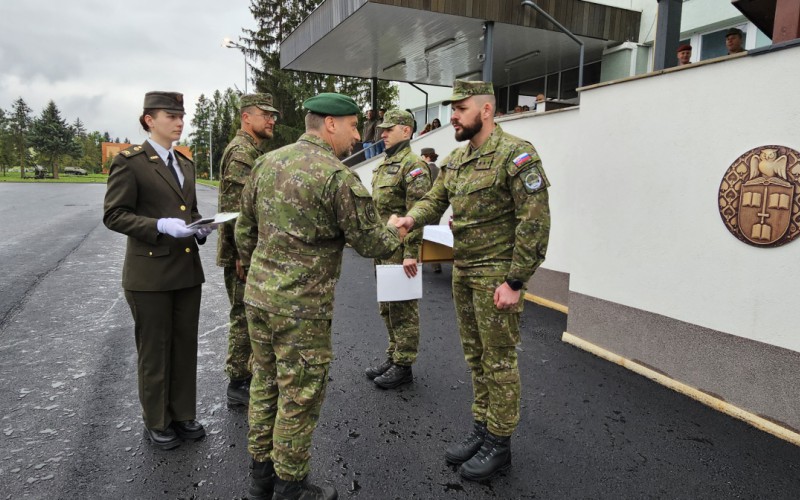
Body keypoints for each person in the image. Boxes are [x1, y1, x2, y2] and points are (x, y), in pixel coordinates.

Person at [235, 93, 405, 500]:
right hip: (301, 312)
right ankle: (290, 486)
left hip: (258, 300)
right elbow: (371, 243)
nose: (356, 135)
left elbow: (244, 230)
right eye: (352, 126)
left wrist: (255, 271)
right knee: (299, 395)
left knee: (264, 384)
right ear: (331, 124)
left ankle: (261, 479)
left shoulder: (267, 162)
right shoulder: (337, 177)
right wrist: (396, 228)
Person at [393, 80, 551, 481]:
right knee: (476, 358)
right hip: (463, 272)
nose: (453, 117)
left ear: (485, 110)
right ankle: (482, 428)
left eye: (460, 109)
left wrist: (515, 281)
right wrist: (413, 217)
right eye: (453, 109)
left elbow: (534, 222)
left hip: (497, 275)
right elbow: (435, 198)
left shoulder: (516, 154)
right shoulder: (459, 158)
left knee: (499, 360)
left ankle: (500, 442)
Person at [103, 91, 214, 450]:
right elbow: (114, 214)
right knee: (155, 350)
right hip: (149, 275)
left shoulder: (186, 164)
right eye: (171, 116)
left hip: (185, 271)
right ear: (149, 120)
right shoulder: (131, 162)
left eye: (181, 116)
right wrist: (159, 226)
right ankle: (157, 420)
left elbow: (190, 210)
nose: (179, 122)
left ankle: (182, 414)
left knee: (184, 347)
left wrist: (201, 226)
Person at [217, 93, 280, 408]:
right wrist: (244, 255)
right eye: (265, 114)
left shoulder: (253, 150)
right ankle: (239, 380)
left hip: (248, 250)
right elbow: (235, 211)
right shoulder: (242, 152)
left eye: (273, 115)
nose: (271, 120)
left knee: (249, 313)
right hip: (243, 253)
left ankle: (247, 374)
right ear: (246, 117)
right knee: (243, 314)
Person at [366, 109, 432, 389]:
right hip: (384, 248)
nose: (382, 134)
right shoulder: (386, 163)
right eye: (382, 129)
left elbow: (417, 213)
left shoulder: (413, 166)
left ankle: (404, 365)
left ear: (406, 131)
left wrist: (410, 254)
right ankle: (394, 355)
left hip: (401, 251)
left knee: (403, 309)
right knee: (387, 308)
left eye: (388, 129)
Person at [420, 147, 442, 274]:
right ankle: (436, 264)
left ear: (425, 157)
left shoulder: (423, 170)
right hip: (437, 208)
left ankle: (418, 261)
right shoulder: (440, 171)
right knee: (434, 235)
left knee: (419, 234)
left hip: (424, 207)